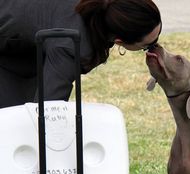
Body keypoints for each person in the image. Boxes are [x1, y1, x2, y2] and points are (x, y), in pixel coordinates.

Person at [0, 0, 162, 108]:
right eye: (146, 46)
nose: (155, 47)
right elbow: (47, 110)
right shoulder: (71, 45)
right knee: (15, 127)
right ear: (119, 41)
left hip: (20, 53)